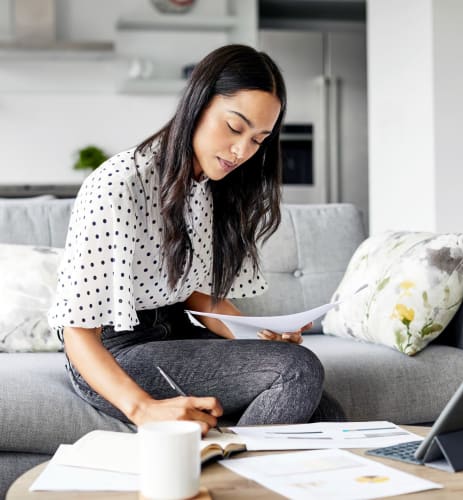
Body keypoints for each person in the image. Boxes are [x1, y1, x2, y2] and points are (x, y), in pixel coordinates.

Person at [49, 44, 344, 434]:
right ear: (197, 104)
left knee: (327, 415)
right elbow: (78, 332)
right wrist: (142, 409)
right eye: (235, 127)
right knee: (297, 371)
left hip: (177, 334)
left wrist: (259, 336)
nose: (242, 151)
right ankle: (223, 480)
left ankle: (241, 478)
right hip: (112, 354)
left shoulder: (212, 186)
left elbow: (197, 295)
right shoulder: (119, 184)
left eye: (259, 140)